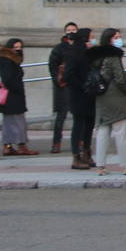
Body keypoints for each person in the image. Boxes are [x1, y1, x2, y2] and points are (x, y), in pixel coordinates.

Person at [90, 27, 126, 177]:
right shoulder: (113, 55)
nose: (119, 40)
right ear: (109, 40)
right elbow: (120, 79)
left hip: (101, 96)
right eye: (116, 37)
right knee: (120, 131)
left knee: (103, 131)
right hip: (115, 96)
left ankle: (100, 166)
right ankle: (125, 165)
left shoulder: (97, 56)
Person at [0, 38, 34, 156]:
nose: (18, 49)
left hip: (11, 96)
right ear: (9, 48)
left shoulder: (10, 60)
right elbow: (7, 79)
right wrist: (17, 89)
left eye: (20, 47)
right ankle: (21, 146)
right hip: (12, 96)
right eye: (15, 47)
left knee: (10, 122)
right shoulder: (8, 61)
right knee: (18, 121)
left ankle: (8, 147)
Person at [65, 28, 96, 170]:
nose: (92, 40)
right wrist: (83, 86)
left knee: (89, 124)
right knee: (78, 126)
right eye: (91, 37)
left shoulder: (89, 54)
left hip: (90, 95)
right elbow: (68, 75)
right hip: (78, 95)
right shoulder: (73, 53)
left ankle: (86, 153)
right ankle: (76, 156)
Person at [47, 22, 78, 154]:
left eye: (73, 29)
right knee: (61, 115)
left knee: (79, 116)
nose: (71, 32)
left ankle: (80, 142)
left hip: (77, 84)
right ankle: (56, 143)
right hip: (64, 85)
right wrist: (58, 80)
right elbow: (52, 65)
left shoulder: (80, 46)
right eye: (68, 30)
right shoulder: (59, 48)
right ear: (65, 32)